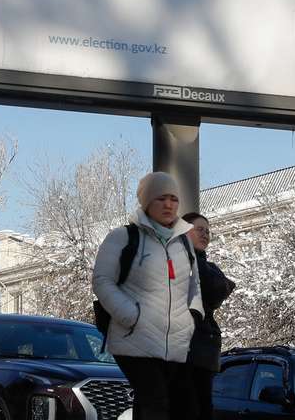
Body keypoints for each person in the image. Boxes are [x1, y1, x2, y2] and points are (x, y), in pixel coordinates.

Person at [92, 172, 202, 420]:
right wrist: (131, 315)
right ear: (146, 202)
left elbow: (194, 286)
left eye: (174, 199)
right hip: (133, 338)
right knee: (155, 401)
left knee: (183, 408)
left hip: (175, 341)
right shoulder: (123, 237)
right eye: (161, 198)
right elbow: (102, 280)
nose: (168, 204)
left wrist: (192, 317)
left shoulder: (184, 242)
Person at [182, 212, 235, 420]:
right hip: (184, 352)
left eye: (208, 231)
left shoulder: (204, 265)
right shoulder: (180, 261)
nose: (205, 234)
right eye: (199, 229)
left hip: (202, 353)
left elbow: (219, 289)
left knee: (202, 407)